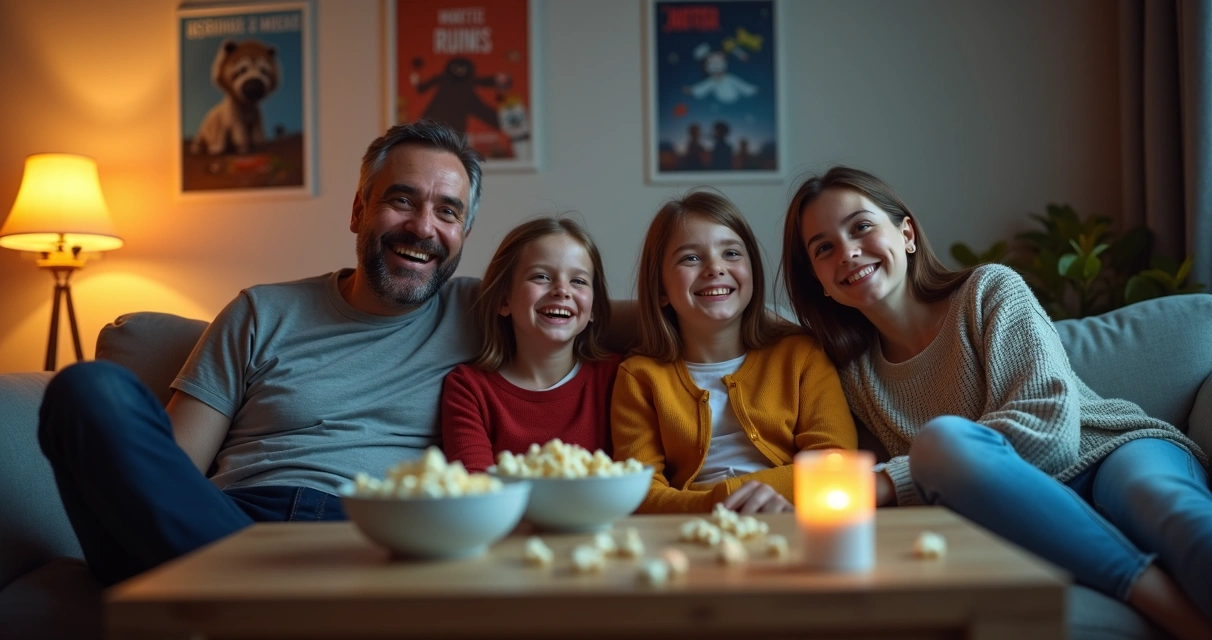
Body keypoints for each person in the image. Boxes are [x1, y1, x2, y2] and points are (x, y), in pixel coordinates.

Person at [37, 120, 485, 586]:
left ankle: (239, 600)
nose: (423, 227)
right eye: (402, 200)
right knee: (88, 389)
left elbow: (544, 281)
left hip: (371, 541)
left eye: (447, 212)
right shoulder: (261, 311)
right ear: (359, 211)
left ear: (464, 233)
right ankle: (242, 593)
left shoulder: (486, 313)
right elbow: (175, 465)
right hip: (226, 531)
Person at [780, 166, 1212, 639]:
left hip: (1109, 451)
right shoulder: (853, 375)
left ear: (906, 234)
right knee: (941, 447)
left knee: (1174, 514)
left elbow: (1051, 433)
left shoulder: (988, 290)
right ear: (819, 280)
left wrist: (892, 479)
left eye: (861, 226)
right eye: (824, 248)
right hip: (1021, 508)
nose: (847, 252)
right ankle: (1170, 607)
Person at [612, 190, 857, 514]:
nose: (715, 268)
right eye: (690, 258)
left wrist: (744, 495)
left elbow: (837, 462)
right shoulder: (639, 376)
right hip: (692, 528)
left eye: (731, 253)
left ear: (752, 271)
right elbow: (638, 491)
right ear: (660, 288)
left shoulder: (802, 355)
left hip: (790, 517)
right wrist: (719, 502)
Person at [441, 217, 620, 472]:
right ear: (504, 300)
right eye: (541, 276)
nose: (562, 290)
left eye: (578, 281)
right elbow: (475, 484)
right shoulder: (468, 389)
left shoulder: (618, 378)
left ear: (593, 308)